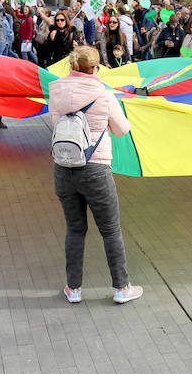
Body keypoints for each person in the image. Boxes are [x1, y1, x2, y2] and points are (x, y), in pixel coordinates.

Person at [48, 45, 142, 304]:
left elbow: (56, 122)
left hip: (64, 167)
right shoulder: (104, 95)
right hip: (96, 168)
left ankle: (74, 289)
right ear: (95, 68)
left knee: (75, 230)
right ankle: (122, 288)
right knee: (110, 230)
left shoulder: (54, 90)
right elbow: (122, 130)